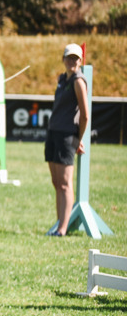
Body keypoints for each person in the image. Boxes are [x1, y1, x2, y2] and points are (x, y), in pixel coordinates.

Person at [45, 43, 90, 236]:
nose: (72, 61)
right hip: (53, 132)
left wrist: (78, 138)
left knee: (65, 183)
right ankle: (59, 223)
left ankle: (63, 229)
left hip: (67, 136)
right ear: (63, 59)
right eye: (69, 57)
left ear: (81, 61)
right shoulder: (62, 79)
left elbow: (85, 115)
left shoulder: (79, 81)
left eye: (75, 58)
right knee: (56, 182)